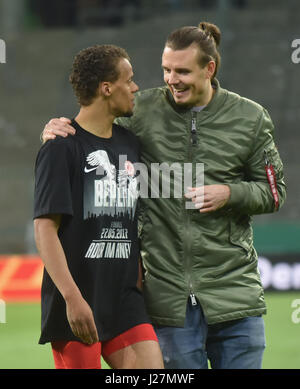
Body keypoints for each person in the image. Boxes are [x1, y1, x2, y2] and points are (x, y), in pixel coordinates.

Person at [42, 22, 286, 369]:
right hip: (169, 302)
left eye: (183, 71)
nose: (172, 79)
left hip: (235, 295)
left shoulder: (250, 117)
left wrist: (231, 192)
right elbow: (91, 127)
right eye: (166, 70)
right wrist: (57, 129)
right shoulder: (141, 111)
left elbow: (275, 193)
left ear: (209, 69)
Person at [34, 44, 164, 369]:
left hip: (124, 300)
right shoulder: (61, 148)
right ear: (107, 88)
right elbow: (44, 229)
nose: (135, 87)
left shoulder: (130, 143)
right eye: (129, 80)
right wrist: (72, 298)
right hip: (78, 301)